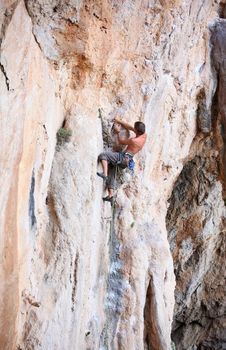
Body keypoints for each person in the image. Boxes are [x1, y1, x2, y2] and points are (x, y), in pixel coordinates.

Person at [97, 117, 147, 202]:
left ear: (137, 131)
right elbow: (130, 127)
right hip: (127, 161)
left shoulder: (134, 141)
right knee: (112, 171)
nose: (133, 129)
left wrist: (117, 132)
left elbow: (121, 141)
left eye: (135, 129)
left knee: (103, 155)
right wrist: (119, 121)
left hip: (123, 158)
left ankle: (104, 174)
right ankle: (110, 195)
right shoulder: (144, 135)